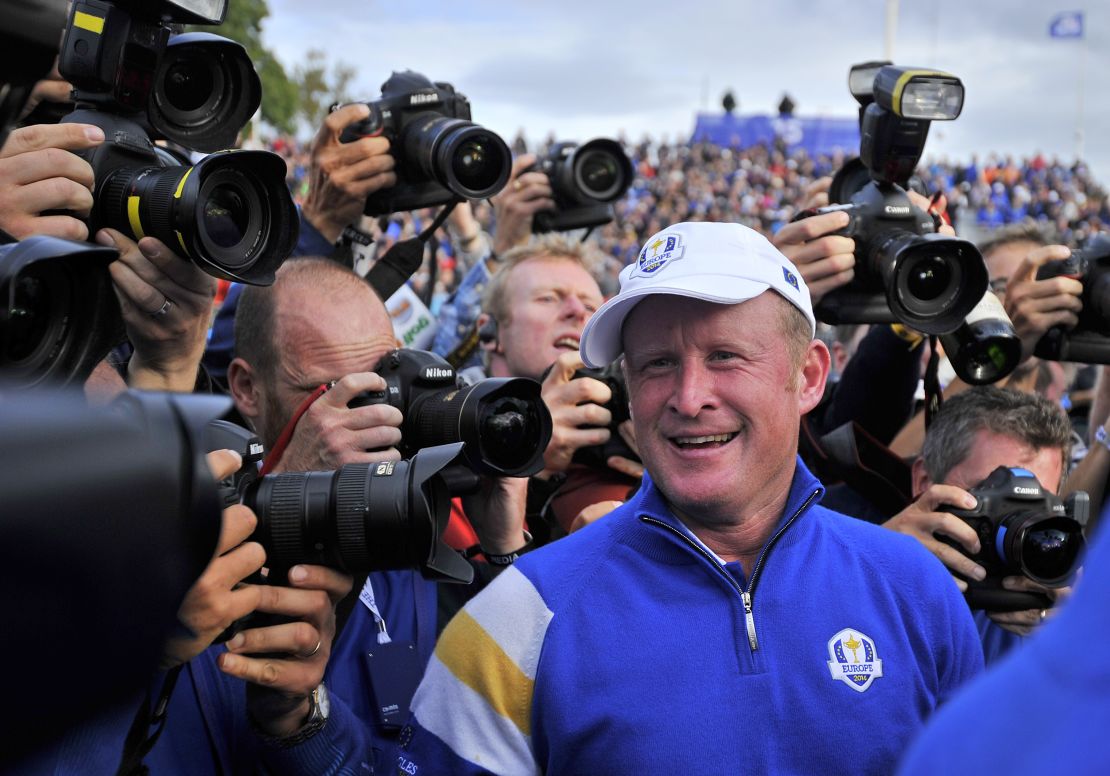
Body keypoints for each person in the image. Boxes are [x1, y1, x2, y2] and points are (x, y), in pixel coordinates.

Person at [397, 221, 984, 774]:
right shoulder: (515, 619)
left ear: (807, 377)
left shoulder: (915, 589)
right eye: (657, 364)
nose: (688, 396)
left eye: (725, 356)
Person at [227, 257, 527, 768]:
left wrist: (502, 553)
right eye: (341, 394)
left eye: (389, 384)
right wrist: (294, 490)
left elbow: (494, 714)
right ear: (248, 389)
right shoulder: (208, 534)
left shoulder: (416, 514)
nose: (381, 420)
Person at [897, 507, 1110, 776]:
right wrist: (887, 552)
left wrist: (1081, 627)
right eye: (987, 504)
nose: (1020, 520)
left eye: (1036, 502)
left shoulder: (1084, 603)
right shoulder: (892, 561)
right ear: (924, 484)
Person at [883, 386, 1075, 662]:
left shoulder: (1066, 607)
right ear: (924, 482)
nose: (1014, 523)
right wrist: (876, 561)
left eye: (1035, 503)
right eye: (992, 494)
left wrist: (1082, 634)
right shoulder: (871, 570)